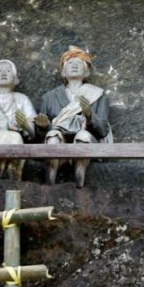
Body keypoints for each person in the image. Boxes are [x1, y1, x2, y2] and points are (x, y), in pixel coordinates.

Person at [36, 46, 113, 187]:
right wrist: (42, 127)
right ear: (63, 72)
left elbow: (103, 130)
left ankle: (79, 183)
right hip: (59, 141)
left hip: (87, 141)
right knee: (53, 134)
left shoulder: (99, 96)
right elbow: (39, 136)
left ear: (87, 71)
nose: (75, 65)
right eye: (70, 63)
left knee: (82, 136)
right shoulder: (48, 98)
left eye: (79, 63)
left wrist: (89, 114)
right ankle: (49, 183)